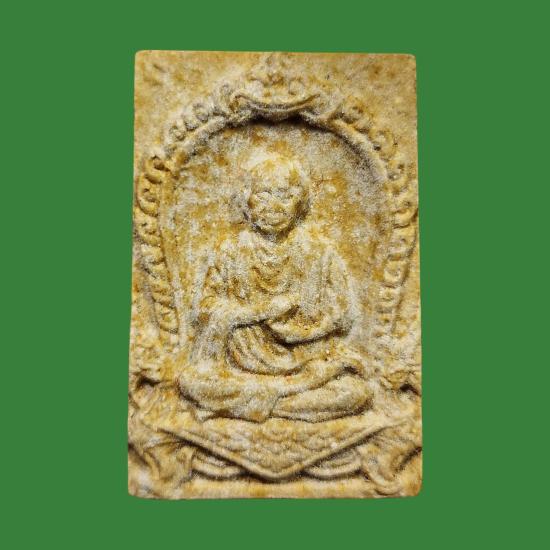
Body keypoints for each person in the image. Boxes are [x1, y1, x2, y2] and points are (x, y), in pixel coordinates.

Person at [178, 155, 371, 422]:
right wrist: (261, 310)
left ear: (300, 202)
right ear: (247, 200)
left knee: (356, 394)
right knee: (191, 383)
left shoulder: (320, 253)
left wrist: (305, 332)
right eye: (263, 195)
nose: (274, 206)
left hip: (307, 361)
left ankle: (251, 403)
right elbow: (205, 310)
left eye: (285, 195)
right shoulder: (229, 251)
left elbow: (343, 316)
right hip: (242, 365)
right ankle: (282, 397)